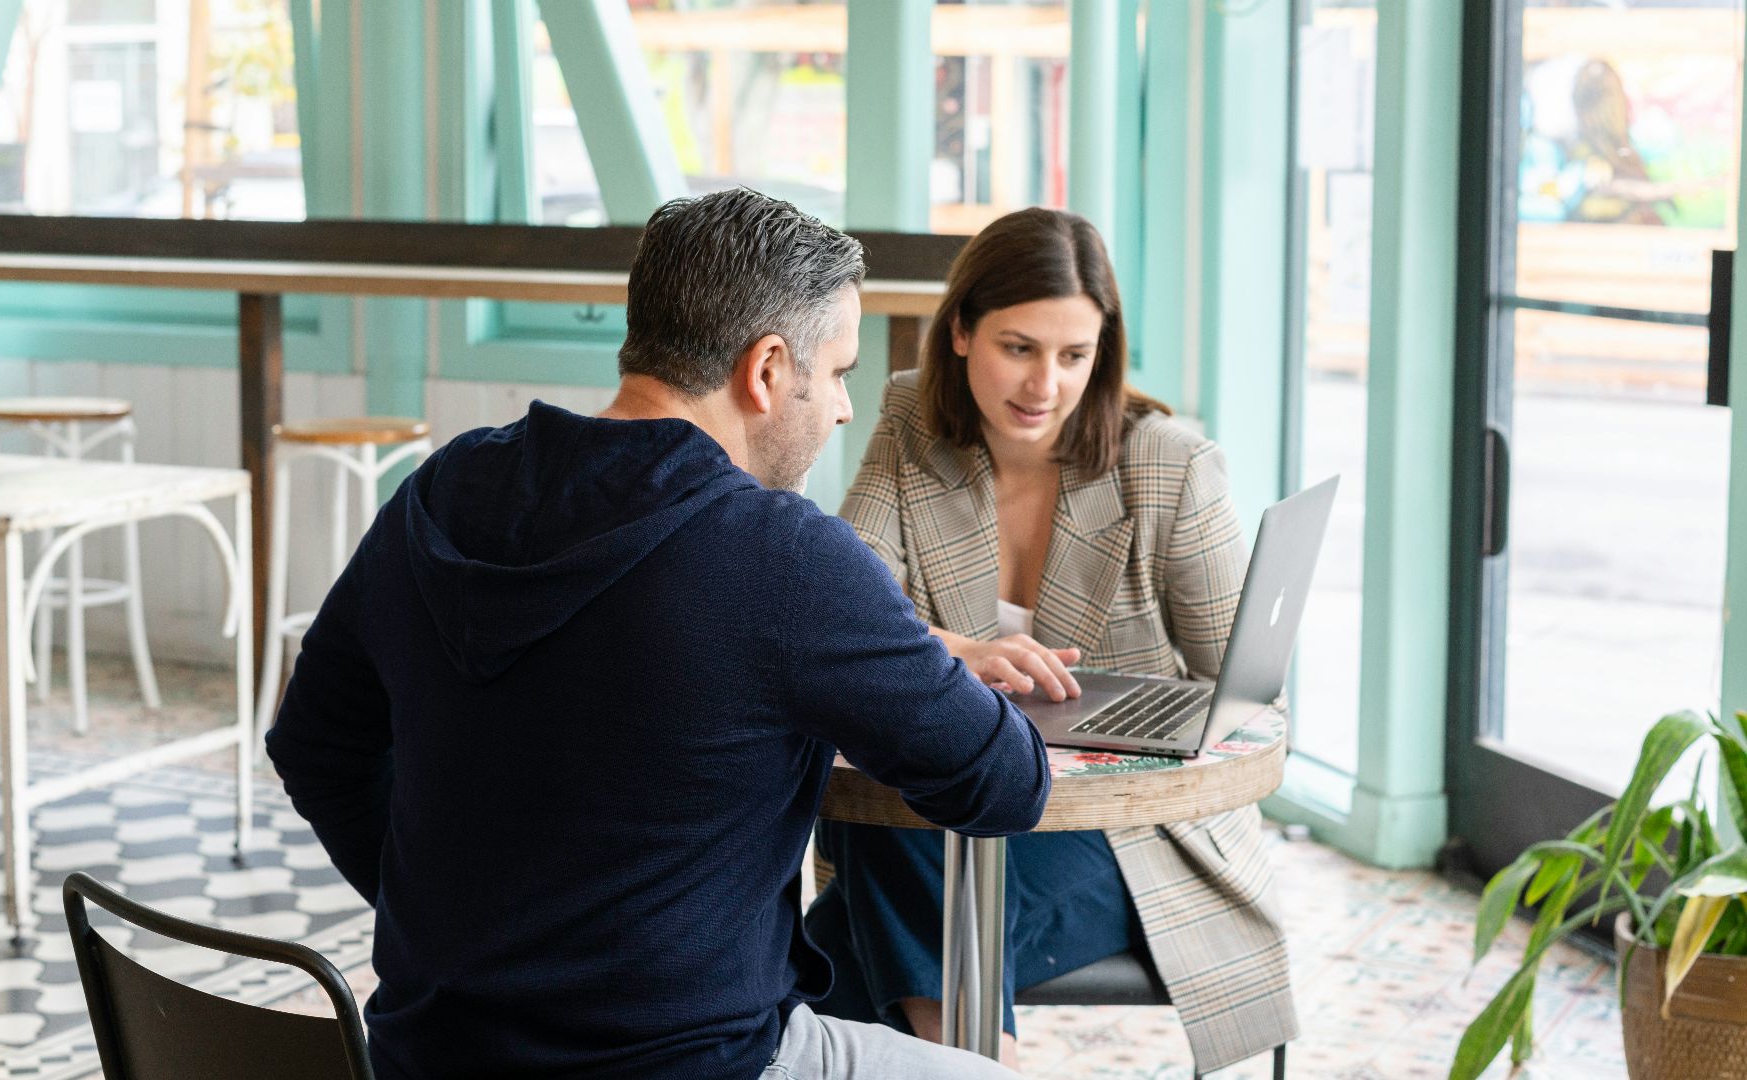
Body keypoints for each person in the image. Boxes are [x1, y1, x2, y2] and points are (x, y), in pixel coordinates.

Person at [265, 188, 1050, 1080]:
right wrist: (916, 649)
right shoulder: (784, 557)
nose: (840, 409)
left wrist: (465, 937)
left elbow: (313, 743)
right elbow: (1004, 783)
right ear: (765, 370)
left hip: (430, 1057)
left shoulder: (441, 492)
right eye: (836, 372)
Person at [805, 207, 1299, 1075]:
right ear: (960, 332)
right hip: (953, 809)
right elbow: (849, 609)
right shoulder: (911, 419)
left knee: (820, 948)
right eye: (1020, 347)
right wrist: (952, 649)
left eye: (1076, 356)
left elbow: (1251, 698)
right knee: (900, 841)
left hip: (1127, 835)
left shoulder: (1170, 466)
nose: (1046, 385)